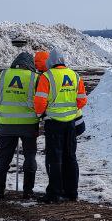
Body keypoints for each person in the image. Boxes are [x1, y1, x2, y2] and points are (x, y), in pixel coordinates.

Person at [33, 48, 87, 203]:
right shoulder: (75, 76)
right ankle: (72, 193)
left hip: (54, 124)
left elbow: (40, 102)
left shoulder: (46, 77)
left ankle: (54, 193)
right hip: (70, 123)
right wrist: (70, 110)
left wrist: (40, 114)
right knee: (70, 157)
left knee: (54, 158)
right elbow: (82, 100)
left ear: (50, 62)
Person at [0, 50, 39, 198]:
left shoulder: (3, 75)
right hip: (29, 124)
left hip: (7, 124)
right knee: (30, 157)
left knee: (4, 157)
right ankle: (28, 191)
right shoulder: (35, 77)